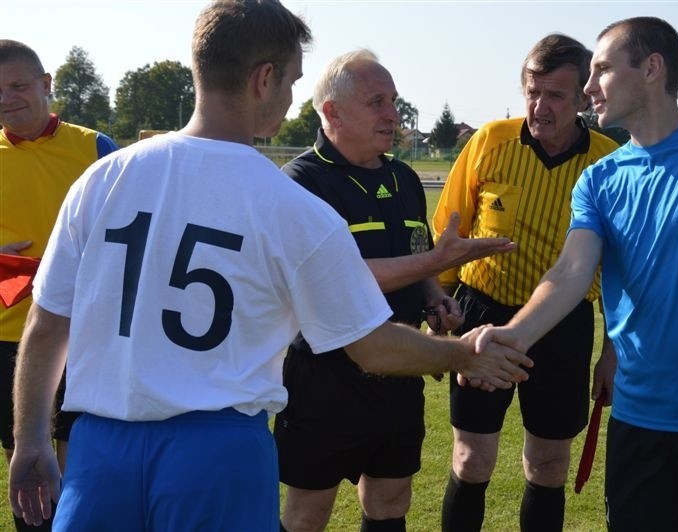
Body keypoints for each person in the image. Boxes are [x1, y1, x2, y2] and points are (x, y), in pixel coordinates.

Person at [7, 2, 532, 531]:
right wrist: (464, 353)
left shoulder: (103, 178)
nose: (290, 98)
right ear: (264, 79)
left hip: (100, 451)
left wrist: (30, 438)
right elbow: (372, 346)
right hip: (217, 452)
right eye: (290, 82)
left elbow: (47, 323)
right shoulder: (293, 207)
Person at [470, 16, 678, 531]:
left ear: (651, 69)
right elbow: (571, 272)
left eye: (601, 69)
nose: (587, 86)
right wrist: (511, 337)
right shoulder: (599, 179)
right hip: (635, 422)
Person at [273, 49, 516, 532]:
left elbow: (416, 247)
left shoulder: (403, 177)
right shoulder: (301, 182)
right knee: (307, 514)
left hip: (401, 368)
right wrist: (439, 262)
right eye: (377, 102)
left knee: (390, 500)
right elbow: (338, 276)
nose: (392, 114)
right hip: (324, 376)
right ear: (332, 112)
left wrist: (434, 295)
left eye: (394, 101)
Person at [432, 34, 618, 532]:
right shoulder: (490, 141)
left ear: (583, 96)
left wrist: (613, 350)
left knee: (549, 464)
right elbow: (447, 235)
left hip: (563, 328)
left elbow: (626, 267)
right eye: (532, 92)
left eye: (555, 95)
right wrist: (438, 310)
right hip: (483, 317)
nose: (540, 106)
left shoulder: (609, 162)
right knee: (471, 459)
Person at [0, 39, 118, 532]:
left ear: (47, 85)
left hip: (81, 334)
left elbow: (131, 235)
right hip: (7, 341)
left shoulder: (96, 149)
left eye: (19, 86)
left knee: (81, 472)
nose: (7, 98)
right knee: (26, 469)